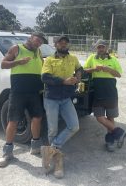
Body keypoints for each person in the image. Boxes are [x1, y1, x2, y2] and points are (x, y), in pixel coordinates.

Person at [0, 32, 45, 168]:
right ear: (30, 38)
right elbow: (3, 64)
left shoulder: (38, 52)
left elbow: (41, 66)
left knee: (37, 118)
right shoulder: (16, 48)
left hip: (35, 92)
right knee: (13, 120)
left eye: (41, 42)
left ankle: (35, 146)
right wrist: (19, 62)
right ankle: (7, 153)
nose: (38, 43)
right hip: (18, 92)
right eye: (37, 40)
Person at [41, 35, 82, 178]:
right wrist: (64, 81)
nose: (63, 44)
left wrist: (78, 75)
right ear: (56, 44)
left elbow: (80, 68)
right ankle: (56, 161)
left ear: (68, 45)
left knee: (74, 125)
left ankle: (52, 149)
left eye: (66, 43)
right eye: (60, 42)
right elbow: (45, 78)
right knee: (53, 129)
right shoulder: (49, 60)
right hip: (51, 98)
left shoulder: (73, 59)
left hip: (66, 98)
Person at [84, 39, 126, 152]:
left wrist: (108, 69)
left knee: (110, 117)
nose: (101, 49)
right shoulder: (91, 58)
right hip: (98, 92)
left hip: (111, 92)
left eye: (103, 47)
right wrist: (94, 69)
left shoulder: (113, 59)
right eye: (99, 47)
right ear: (96, 48)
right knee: (99, 117)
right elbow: (84, 70)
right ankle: (119, 132)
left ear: (106, 48)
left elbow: (118, 74)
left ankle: (110, 141)